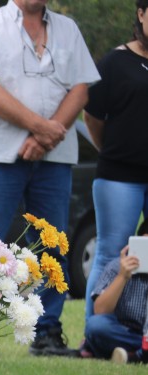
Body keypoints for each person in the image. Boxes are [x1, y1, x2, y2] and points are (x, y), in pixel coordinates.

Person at [0, 0, 99, 357]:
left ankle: (46, 332)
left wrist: (45, 137)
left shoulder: (67, 28)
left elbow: (81, 90)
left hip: (54, 155)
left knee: (52, 244)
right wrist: (40, 128)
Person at [82, 0, 148, 326]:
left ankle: (141, 329)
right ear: (141, 13)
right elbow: (92, 116)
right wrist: (111, 149)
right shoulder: (114, 62)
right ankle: (93, 333)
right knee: (111, 253)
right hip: (119, 177)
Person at [83, 241, 148, 364]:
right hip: (126, 332)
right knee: (96, 326)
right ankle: (141, 352)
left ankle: (132, 355)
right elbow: (100, 310)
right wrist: (122, 276)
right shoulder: (117, 266)